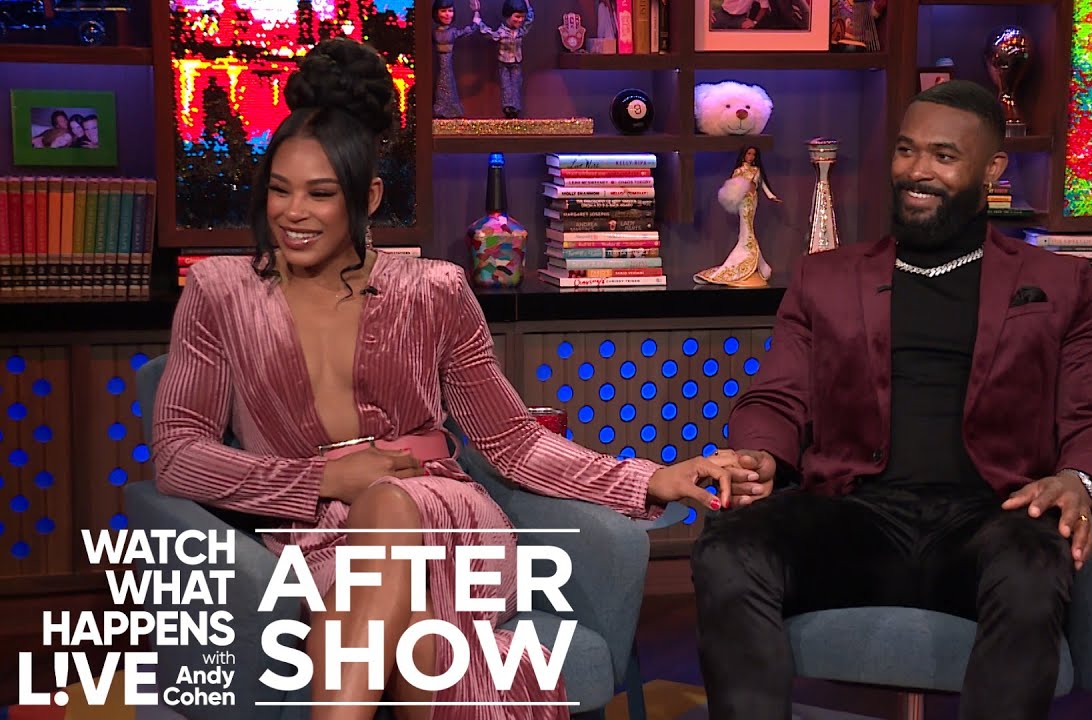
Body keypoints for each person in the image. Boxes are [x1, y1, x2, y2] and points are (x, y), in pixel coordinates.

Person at [151, 38, 749, 720]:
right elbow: (178, 456)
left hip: (445, 516)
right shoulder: (218, 291)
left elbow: (513, 442)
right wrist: (322, 480)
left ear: (368, 195)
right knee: (398, 617)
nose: (293, 213)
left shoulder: (432, 289)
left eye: (320, 194)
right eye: (279, 190)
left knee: (389, 506)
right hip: (318, 535)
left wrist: (648, 478)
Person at [690, 79, 1092, 720]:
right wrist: (760, 454)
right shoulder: (826, 277)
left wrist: (1079, 481)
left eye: (944, 156)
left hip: (992, 518)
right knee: (729, 546)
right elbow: (777, 396)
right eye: (906, 150)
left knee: (1033, 565)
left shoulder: (1060, 283)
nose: (917, 171)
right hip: (853, 517)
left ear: (992, 169)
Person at [694, 145, 780, 288]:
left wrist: (772, 196)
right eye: (749, 154)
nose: (751, 157)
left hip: (753, 201)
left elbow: (763, 185)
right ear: (744, 155)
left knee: (750, 228)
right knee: (747, 230)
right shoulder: (738, 171)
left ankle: (757, 265)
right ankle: (754, 263)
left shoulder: (756, 170)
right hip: (743, 202)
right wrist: (738, 194)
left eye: (753, 154)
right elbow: (732, 188)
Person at [478, 0, 534, 118]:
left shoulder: (520, 32)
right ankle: (508, 107)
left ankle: (516, 108)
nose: (520, 20)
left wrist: (527, 3)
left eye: (522, 17)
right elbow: (489, 33)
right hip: (504, 63)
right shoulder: (502, 32)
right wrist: (478, 22)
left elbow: (530, 20)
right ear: (508, 16)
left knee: (516, 84)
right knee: (506, 85)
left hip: (516, 62)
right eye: (517, 17)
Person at [432, 0, 483, 119]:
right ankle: (441, 109)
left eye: (450, 11)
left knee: (449, 84)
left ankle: (450, 110)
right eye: (443, 11)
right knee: (442, 84)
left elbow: (469, 30)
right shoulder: (434, 33)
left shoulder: (452, 32)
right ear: (436, 13)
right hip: (437, 66)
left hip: (447, 64)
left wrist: (476, 14)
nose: (447, 14)